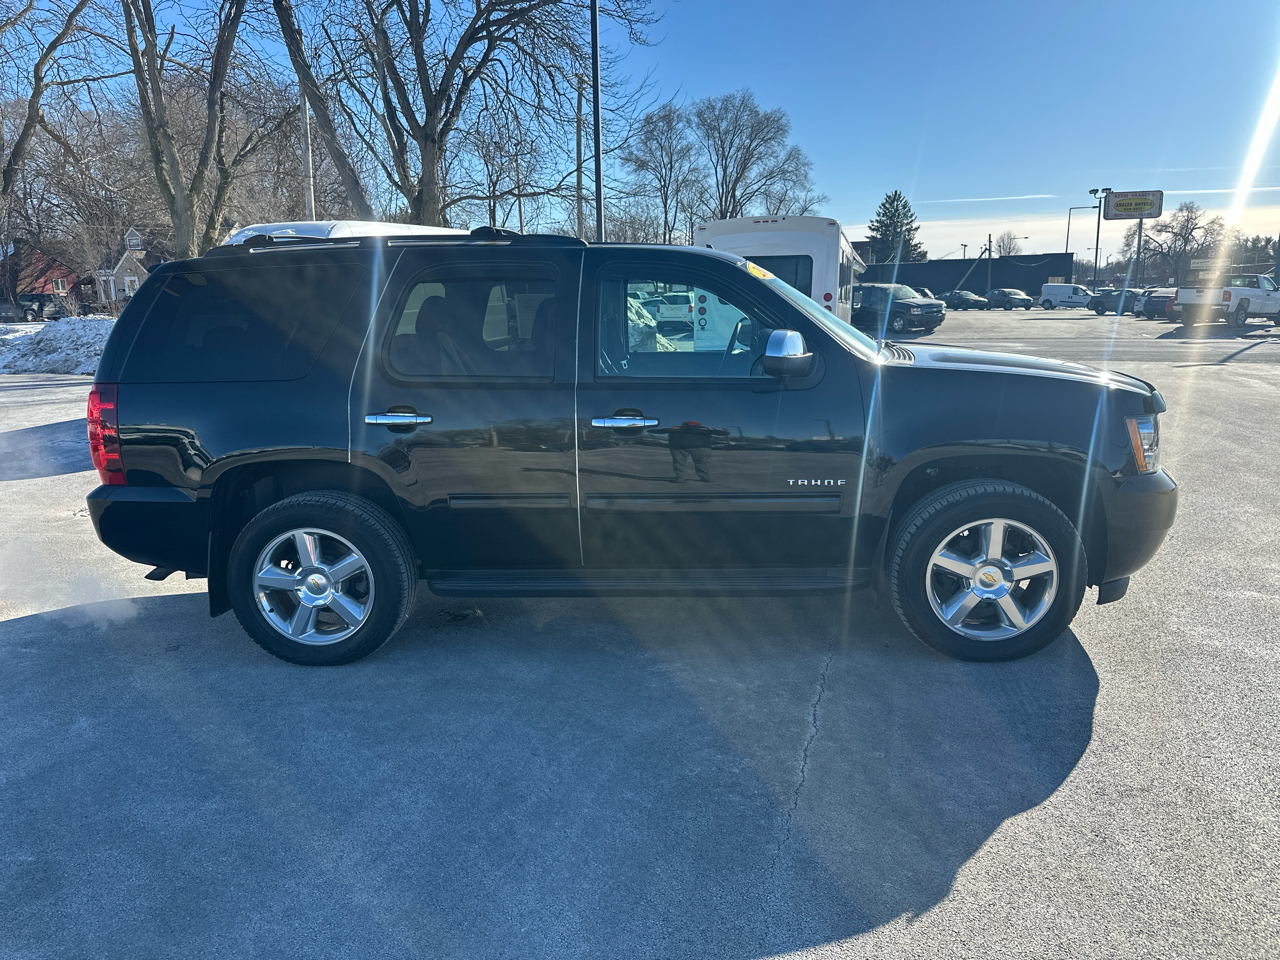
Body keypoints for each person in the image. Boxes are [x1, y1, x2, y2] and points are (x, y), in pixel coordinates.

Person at [648, 420, 729, 482]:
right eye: (688, 425)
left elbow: (725, 433)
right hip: (685, 447)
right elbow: (656, 431)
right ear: (683, 425)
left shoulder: (704, 430)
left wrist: (710, 429)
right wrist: (670, 429)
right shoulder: (677, 429)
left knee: (684, 462)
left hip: (694, 447)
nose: (691, 426)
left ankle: (694, 477)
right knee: (688, 462)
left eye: (694, 425)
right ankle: (682, 477)